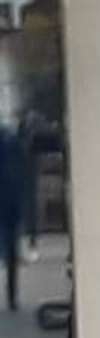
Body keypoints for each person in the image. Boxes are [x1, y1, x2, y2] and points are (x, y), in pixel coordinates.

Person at [0, 121, 25, 311]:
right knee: (11, 253)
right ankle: (12, 297)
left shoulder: (11, 141)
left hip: (8, 201)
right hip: (9, 201)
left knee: (11, 251)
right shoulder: (12, 140)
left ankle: (12, 296)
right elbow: (20, 172)